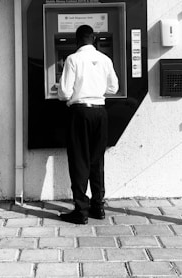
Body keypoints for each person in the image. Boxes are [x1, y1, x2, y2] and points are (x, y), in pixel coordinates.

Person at [57, 24, 119, 224]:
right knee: (96, 160)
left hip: (80, 112)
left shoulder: (72, 59)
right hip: (100, 112)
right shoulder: (105, 59)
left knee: (79, 160)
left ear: (77, 41)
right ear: (94, 39)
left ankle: (81, 211)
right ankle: (98, 207)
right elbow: (114, 88)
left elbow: (65, 92)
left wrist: (66, 95)